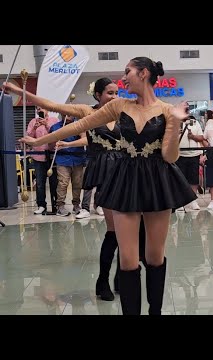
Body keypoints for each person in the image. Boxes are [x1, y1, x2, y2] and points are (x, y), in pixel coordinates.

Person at [19, 57, 194, 315]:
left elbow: (170, 157)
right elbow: (80, 125)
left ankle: (155, 312)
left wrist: (177, 121)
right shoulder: (120, 106)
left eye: (128, 72)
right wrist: (39, 141)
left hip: (158, 182)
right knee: (127, 260)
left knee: (155, 257)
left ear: (144, 74)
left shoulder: (168, 110)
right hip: (125, 179)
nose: (123, 78)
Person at [3, 78, 147, 302]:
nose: (114, 96)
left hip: (125, 170)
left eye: (116, 92)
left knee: (127, 230)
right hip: (104, 171)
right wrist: (20, 91)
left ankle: (121, 276)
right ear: (97, 95)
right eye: (109, 93)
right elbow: (52, 106)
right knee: (113, 230)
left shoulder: (122, 112)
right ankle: (103, 280)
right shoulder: (86, 111)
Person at [25, 107, 58, 215]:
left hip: (52, 156)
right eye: (37, 108)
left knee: (54, 183)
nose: (39, 109)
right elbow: (28, 139)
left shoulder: (54, 120)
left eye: (41, 107)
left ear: (47, 109)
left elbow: (57, 135)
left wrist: (47, 125)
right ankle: (41, 205)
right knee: (39, 183)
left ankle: (56, 205)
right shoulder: (33, 122)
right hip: (38, 157)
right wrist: (34, 128)